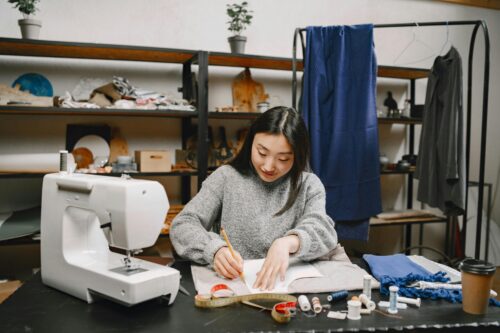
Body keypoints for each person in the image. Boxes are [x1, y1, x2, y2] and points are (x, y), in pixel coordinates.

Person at [170, 106, 337, 290]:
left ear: (297, 156)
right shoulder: (226, 177)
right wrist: (215, 249)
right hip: (236, 287)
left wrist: (289, 242)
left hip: (291, 291)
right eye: (262, 153)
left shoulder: (308, 184)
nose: (268, 166)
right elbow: (183, 225)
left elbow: (324, 231)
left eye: (283, 159)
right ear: (250, 143)